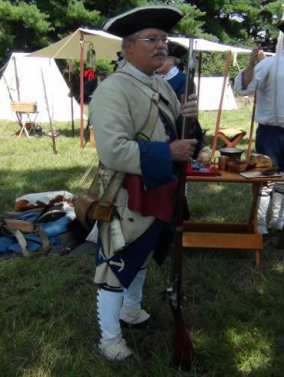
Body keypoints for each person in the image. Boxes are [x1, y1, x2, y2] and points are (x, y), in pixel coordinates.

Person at [89, 5, 202, 362]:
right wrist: (169, 152)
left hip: (160, 193)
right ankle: (109, 340)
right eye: (152, 39)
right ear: (130, 46)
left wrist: (191, 122)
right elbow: (113, 151)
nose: (161, 46)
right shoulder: (112, 91)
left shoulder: (161, 87)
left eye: (163, 39)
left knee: (143, 257)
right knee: (116, 265)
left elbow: (184, 141)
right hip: (127, 197)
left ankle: (131, 309)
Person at [234, 29, 284, 235]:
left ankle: (279, 221)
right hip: (270, 133)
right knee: (267, 177)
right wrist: (251, 65)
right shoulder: (269, 64)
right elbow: (245, 88)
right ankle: (261, 223)